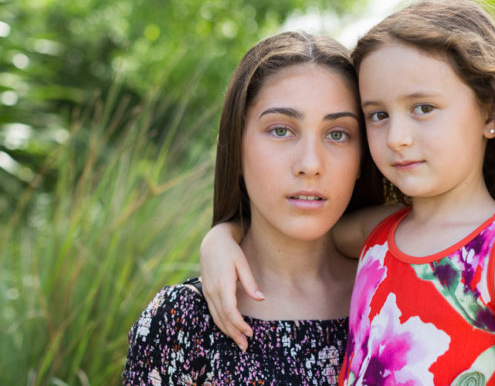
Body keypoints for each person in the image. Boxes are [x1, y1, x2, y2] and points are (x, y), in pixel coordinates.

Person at [200, 0, 495, 385]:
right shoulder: (383, 234)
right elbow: (300, 233)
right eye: (379, 115)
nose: (398, 138)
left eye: (423, 108)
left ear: (491, 113)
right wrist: (221, 239)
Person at [122, 31, 389, 385]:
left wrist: (222, 234)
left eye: (337, 134)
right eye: (281, 130)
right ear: (238, 145)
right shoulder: (181, 319)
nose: (310, 164)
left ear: (362, 158)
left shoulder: (401, 291)